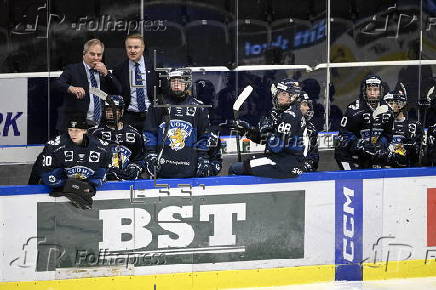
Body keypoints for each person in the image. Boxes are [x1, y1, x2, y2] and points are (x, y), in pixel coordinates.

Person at [228, 78, 306, 179]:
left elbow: (276, 147)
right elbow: (264, 140)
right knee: (247, 162)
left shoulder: (290, 116)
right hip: (285, 162)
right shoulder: (284, 113)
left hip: (283, 164)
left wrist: (266, 131)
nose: (279, 97)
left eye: (284, 94)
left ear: (293, 96)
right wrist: (247, 130)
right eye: (279, 93)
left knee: (234, 169)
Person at [143, 69, 211, 179]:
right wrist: (151, 154)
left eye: (180, 81)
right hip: (163, 169)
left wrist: (202, 157)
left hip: (189, 169)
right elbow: (149, 132)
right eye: (173, 81)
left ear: (187, 83)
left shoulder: (199, 107)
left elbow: (204, 136)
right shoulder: (157, 104)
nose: (176, 84)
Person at [36, 116, 111, 208]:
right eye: (70, 130)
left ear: (85, 131)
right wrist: (67, 186)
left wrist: (90, 185)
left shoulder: (102, 148)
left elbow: (102, 172)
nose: (73, 134)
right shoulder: (55, 146)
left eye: (77, 130)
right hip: (56, 187)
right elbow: (45, 172)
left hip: (80, 186)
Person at [53, 39, 121, 131]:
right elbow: (58, 83)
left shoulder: (104, 72)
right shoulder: (73, 69)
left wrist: (106, 74)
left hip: (101, 124)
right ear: (84, 54)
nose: (96, 58)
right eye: (92, 54)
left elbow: (118, 90)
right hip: (77, 124)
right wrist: (71, 88)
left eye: (99, 55)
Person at [335, 74, 394, 170]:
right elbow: (343, 136)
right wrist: (360, 144)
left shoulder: (387, 110)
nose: (372, 93)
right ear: (364, 91)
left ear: (381, 91)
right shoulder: (354, 110)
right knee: (353, 178)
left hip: (372, 155)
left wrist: (379, 145)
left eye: (375, 90)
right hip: (351, 155)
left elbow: (388, 134)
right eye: (369, 89)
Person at [89, 95, 145, 180]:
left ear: (122, 112)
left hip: (127, 180)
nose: (111, 113)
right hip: (104, 181)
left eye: (115, 110)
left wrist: (135, 167)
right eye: (108, 110)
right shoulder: (95, 133)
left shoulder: (134, 133)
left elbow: (139, 158)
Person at [113, 34, 157, 132]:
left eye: (136, 47)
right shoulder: (119, 69)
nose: (132, 50)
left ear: (143, 48)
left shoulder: (155, 66)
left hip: (151, 115)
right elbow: (116, 92)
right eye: (129, 47)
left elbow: (163, 91)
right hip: (129, 117)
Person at [382, 87, 423, 168]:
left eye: (394, 103)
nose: (391, 106)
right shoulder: (381, 124)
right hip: (384, 170)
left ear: (401, 104)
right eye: (388, 103)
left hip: (407, 171)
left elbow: (420, 156)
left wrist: (413, 148)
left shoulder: (414, 125)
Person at [299, 92, 319, 172]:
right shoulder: (285, 123)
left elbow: (314, 154)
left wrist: (309, 163)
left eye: (308, 105)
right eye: (304, 104)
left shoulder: (311, 128)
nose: (308, 108)